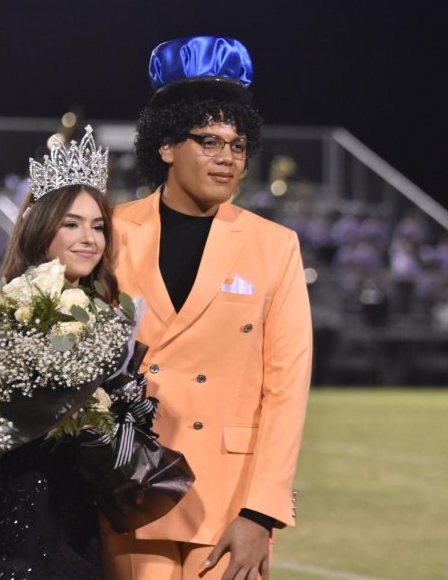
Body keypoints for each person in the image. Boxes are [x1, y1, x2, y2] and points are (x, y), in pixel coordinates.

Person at [105, 37, 313, 580]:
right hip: (128, 489)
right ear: (166, 146)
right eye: (209, 141)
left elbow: (287, 390)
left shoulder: (276, 246)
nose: (227, 158)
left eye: (238, 145)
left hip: (228, 505)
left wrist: (261, 513)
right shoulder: (108, 232)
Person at [0, 127, 116, 580]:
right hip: (18, 527)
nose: (89, 238)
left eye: (98, 225)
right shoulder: (10, 308)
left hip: (85, 525)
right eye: (72, 223)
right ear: (42, 228)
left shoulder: (109, 311)